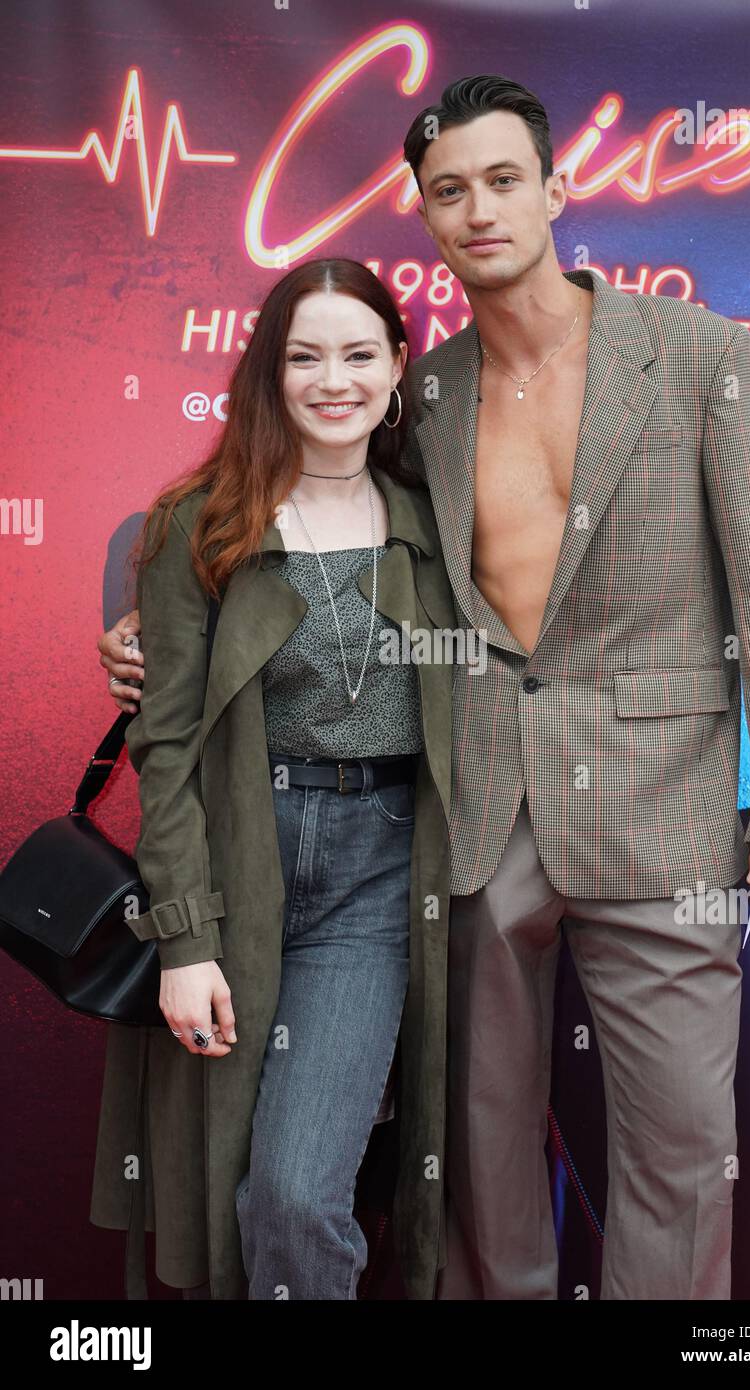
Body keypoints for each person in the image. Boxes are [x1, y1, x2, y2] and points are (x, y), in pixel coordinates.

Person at [395, 75, 750, 1300]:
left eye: (499, 180)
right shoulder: (419, 396)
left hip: (660, 799)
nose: (476, 208)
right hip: (481, 803)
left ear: (554, 187)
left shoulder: (693, 353)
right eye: (448, 191)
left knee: (684, 1148)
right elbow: (322, 531)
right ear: (423, 215)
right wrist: (165, 624)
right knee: (479, 1149)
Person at [89, 258, 455, 1300]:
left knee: (295, 1191)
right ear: (268, 371)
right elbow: (164, 750)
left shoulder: (436, 525)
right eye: (303, 356)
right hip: (240, 859)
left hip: (375, 877)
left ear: (396, 366)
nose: (330, 380)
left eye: (356, 353)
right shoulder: (197, 524)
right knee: (218, 1185)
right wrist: (186, 938)